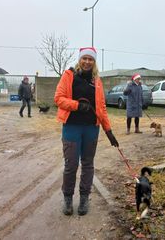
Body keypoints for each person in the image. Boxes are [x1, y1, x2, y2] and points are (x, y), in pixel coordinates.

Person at [54, 47, 119, 216]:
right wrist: (77, 105)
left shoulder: (97, 81)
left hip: (91, 128)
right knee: (71, 165)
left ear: (94, 62)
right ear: (80, 60)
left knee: (88, 164)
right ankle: (68, 198)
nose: (87, 62)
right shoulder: (69, 76)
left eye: (91, 59)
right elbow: (58, 99)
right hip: (71, 127)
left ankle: (84, 198)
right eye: (85, 58)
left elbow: (102, 108)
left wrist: (108, 130)